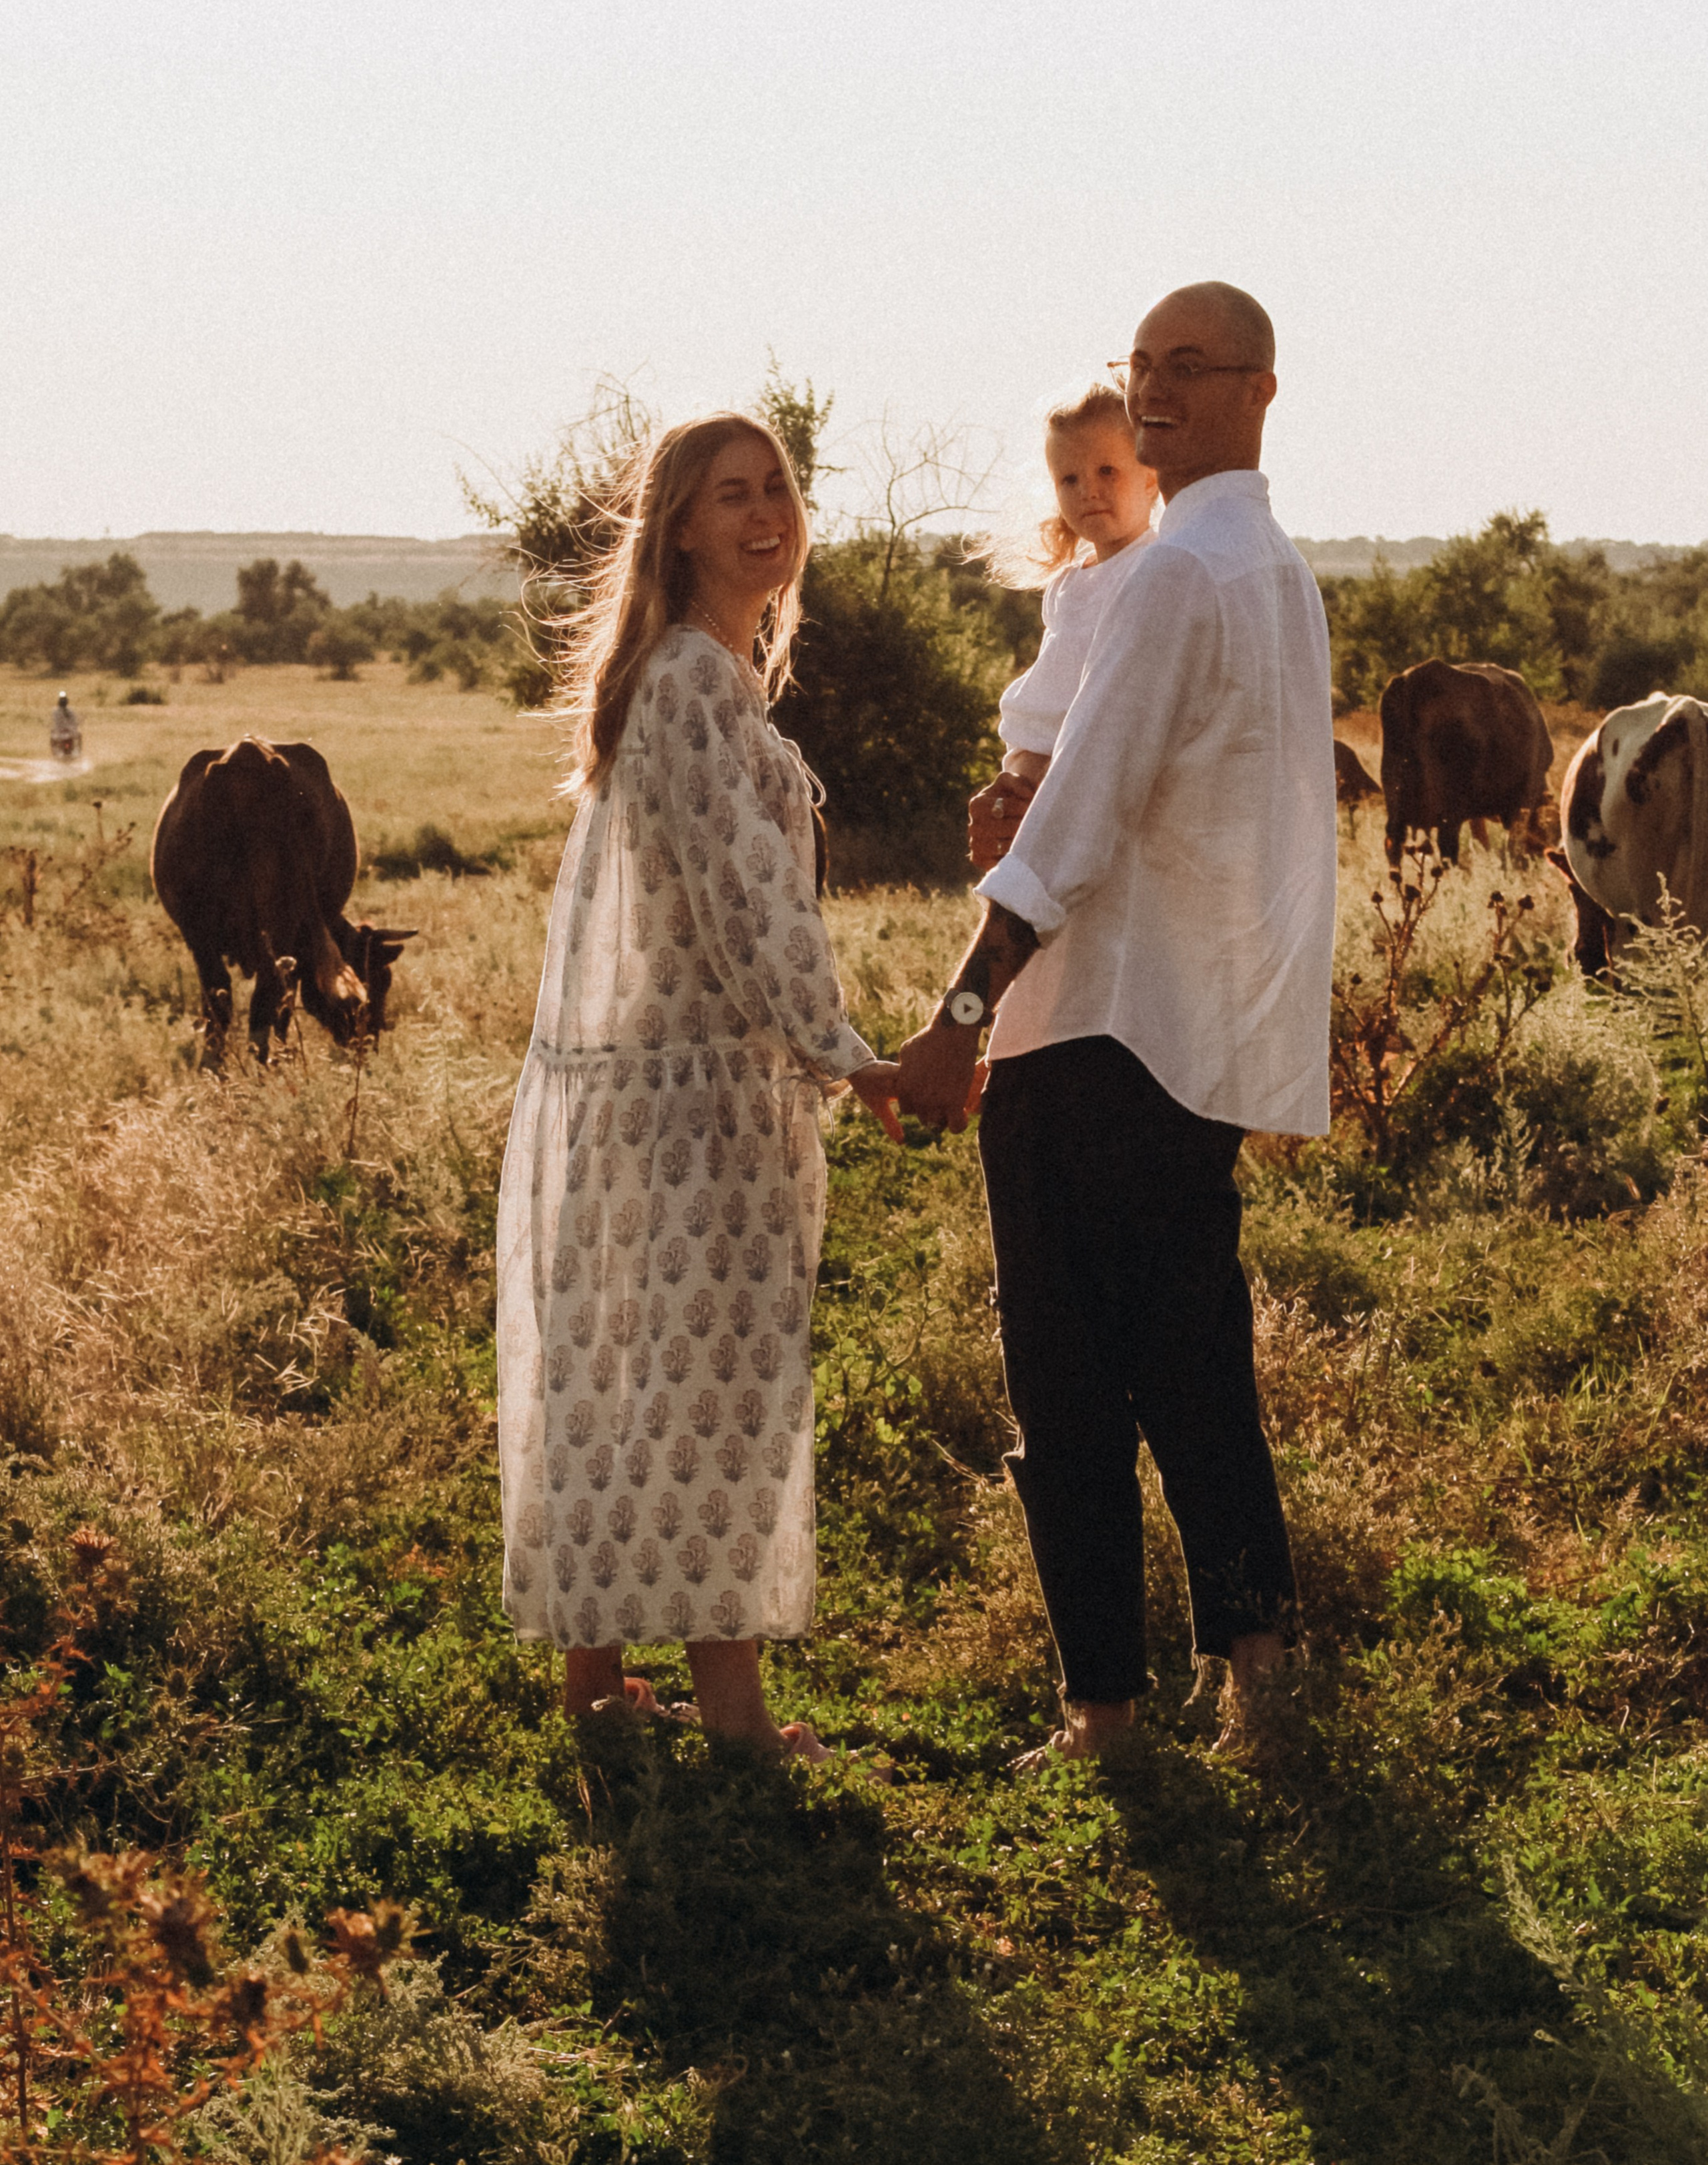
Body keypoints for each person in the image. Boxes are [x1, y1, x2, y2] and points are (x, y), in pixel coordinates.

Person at [897, 282, 1336, 1765]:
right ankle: (1257, 1669)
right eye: (1136, 365)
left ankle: (1105, 1709)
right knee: (1194, 1353)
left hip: (1090, 1027)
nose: (1151, 391)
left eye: (1186, 368)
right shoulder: (1274, 572)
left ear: (1257, 390)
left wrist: (961, 1017)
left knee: (1068, 1375)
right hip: (1196, 1034)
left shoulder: (1169, 581)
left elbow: (1071, 829)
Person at [495, 412, 903, 1758]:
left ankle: (599, 1696)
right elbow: (745, 904)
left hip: (671, 1098)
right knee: (709, 1395)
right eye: (730, 497)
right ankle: (731, 1721)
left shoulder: (708, 678)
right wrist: (848, 1053)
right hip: (690, 1107)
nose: (763, 514)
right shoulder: (684, 682)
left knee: (626, 1384)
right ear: (678, 527)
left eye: (776, 489)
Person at [971, 384, 1158, 873]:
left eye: (1107, 471)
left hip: (1097, 793)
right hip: (1037, 786)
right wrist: (1020, 777)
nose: (1088, 491)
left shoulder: (1157, 571)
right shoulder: (1068, 586)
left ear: (1151, 479)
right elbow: (1043, 701)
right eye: (1068, 479)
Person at [49, 691, 81, 761]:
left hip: (60, 733)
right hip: (67, 732)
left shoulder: (56, 711)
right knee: (79, 736)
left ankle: (54, 753)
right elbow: (74, 722)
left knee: (52, 739)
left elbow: (55, 722)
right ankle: (79, 751)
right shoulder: (70, 711)